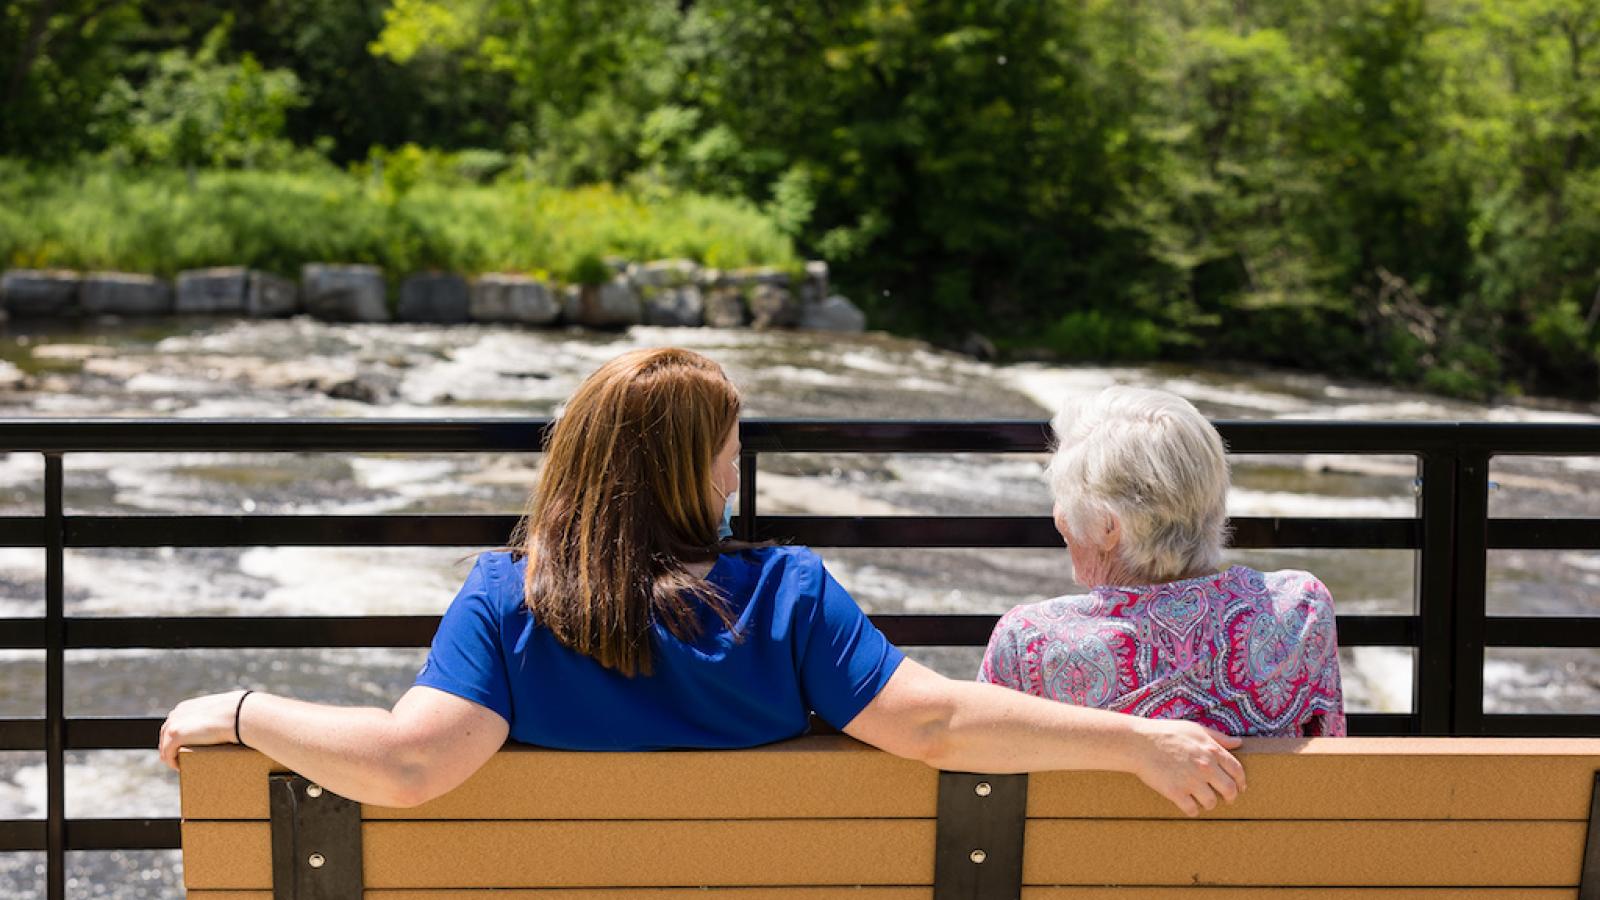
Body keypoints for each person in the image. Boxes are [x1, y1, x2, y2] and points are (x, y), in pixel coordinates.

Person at [159, 348, 1245, 817]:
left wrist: (246, 711)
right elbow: (938, 726)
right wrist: (1138, 742)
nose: (737, 472)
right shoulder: (787, 596)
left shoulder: (508, 597)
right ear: (693, 469)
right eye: (729, 451)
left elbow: (407, 766)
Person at [979, 386, 1346, 738]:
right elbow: (1331, 759)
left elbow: (976, 768)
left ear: (1109, 527)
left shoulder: (1027, 643)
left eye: (1063, 496)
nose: (1059, 513)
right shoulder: (1301, 609)